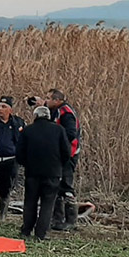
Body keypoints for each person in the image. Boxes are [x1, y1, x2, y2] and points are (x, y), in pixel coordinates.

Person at [16, 106, 71, 241]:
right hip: (53, 173)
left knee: (30, 202)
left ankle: (26, 230)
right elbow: (67, 152)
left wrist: (27, 164)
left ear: (35, 116)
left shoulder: (27, 131)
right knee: (47, 204)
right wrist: (59, 166)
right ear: (48, 116)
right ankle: (41, 233)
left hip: (32, 173)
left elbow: (19, 153)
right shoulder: (59, 130)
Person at [46, 89, 82, 231]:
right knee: (57, 184)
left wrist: (59, 145)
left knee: (66, 185)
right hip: (60, 154)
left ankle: (71, 219)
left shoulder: (66, 113)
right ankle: (57, 218)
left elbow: (71, 133)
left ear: (57, 100)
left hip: (69, 154)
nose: (46, 100)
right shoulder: (58, 110)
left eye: (48, 98)